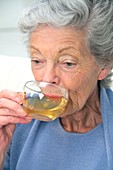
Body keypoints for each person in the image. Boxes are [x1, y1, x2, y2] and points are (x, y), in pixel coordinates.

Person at [1, 0, 113, 169]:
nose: (46, 79)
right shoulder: (16, 123)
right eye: (38, 60)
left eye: (68, 63)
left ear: (104, 65)